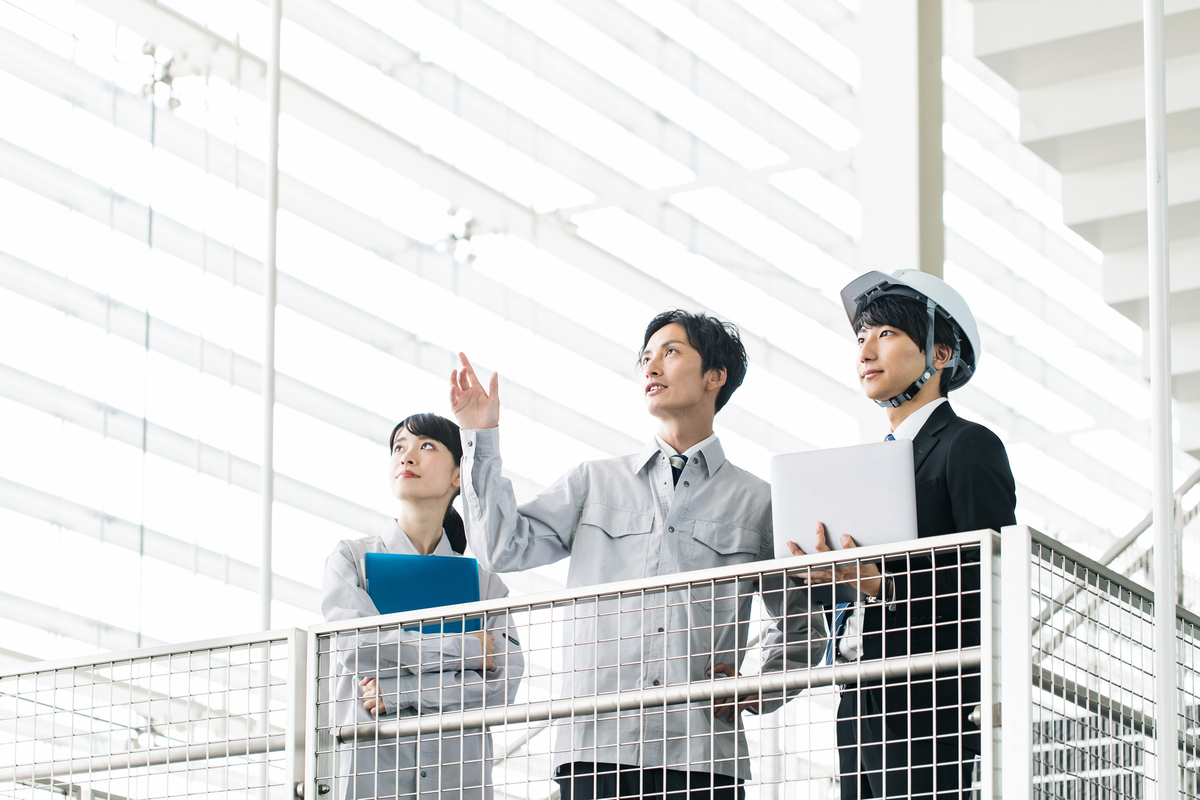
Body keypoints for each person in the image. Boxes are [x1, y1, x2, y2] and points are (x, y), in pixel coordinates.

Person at [449, 310, 826, 800]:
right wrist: (479, 439)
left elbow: (803, 622)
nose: (651, 366)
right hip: (595, 749)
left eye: (670, 352)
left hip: (703, 756)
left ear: (715, 376)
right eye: (646, 357)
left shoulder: (758, 503)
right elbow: (501, 547)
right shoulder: (593, 482)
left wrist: (761, 686)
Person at [790, 270, 1017, 799]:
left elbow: (989, 582)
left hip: (931, 699)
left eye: (887, 334)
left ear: (940, 354)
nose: (866, 351)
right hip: (859, 696)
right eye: (861, 338)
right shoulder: (869, 468)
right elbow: (861, 586)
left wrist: (880, 584)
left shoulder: (967, 445)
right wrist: (826, 577)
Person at [322, 413, 525, 800]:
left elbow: (503, 684)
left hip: (458, 783)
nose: (406, 456)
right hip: (371, 775)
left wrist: (401, 693)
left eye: (426, 445)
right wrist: (467, 650)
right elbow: (359, 648)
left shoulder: (486, 584)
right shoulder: (350, 560)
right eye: (398, 447)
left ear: (458, 476)